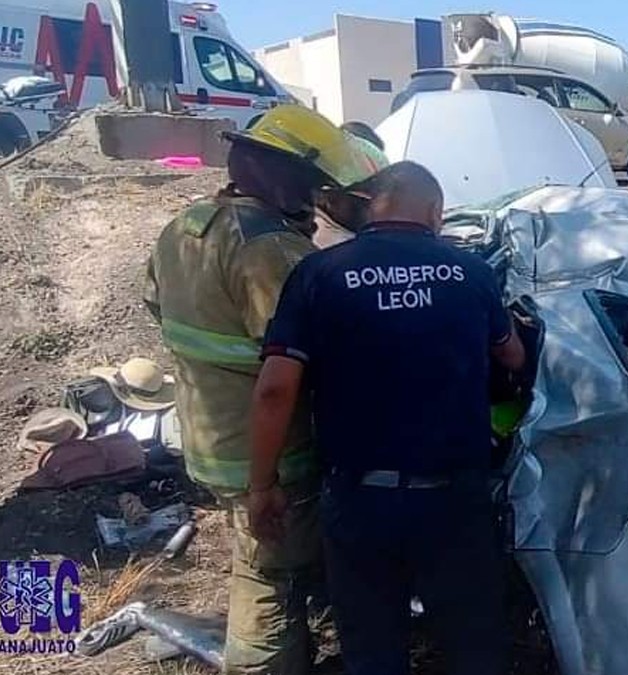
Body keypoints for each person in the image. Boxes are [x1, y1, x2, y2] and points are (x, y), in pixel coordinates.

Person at [247, 161, 527, 675]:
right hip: (454, 500)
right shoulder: (470, 272)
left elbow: (275, 388)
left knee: (373, 648)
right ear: (436, 212)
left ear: (371, 207)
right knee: (474, 645)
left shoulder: (319, 274)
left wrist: (262, 484)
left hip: (359, 500)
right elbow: (512, 357)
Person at [143, 104, 382, 675]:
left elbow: (157, 306)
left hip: (211, 437)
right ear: (282, 174)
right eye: (312, 183)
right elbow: (312, 362)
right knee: (269, 576)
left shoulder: (185, 227)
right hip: (272, 456)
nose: (317, 197)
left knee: (266, 555)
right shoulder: (270, 250)